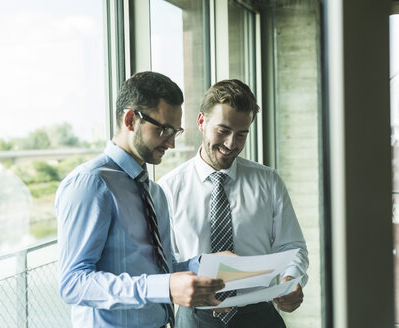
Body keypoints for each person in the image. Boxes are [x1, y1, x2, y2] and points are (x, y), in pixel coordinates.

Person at [55, 71, 226, 328]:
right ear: (130, 119)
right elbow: (73, 284)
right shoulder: (91, 183)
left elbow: (156, 269)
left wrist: (205, 264)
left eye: (175, 131)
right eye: (164, 130)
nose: (171, 143)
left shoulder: (154, 193)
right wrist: (165, 287)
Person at [158, 79, 309, 328]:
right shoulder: (168, 189)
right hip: (194, 319)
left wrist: (291, 278)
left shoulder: (268, 182)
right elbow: (163, 261)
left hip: (261, 317)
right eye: (223, 130)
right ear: (201, 122)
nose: (231, 144)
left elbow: (292, 245)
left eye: (242, 134)